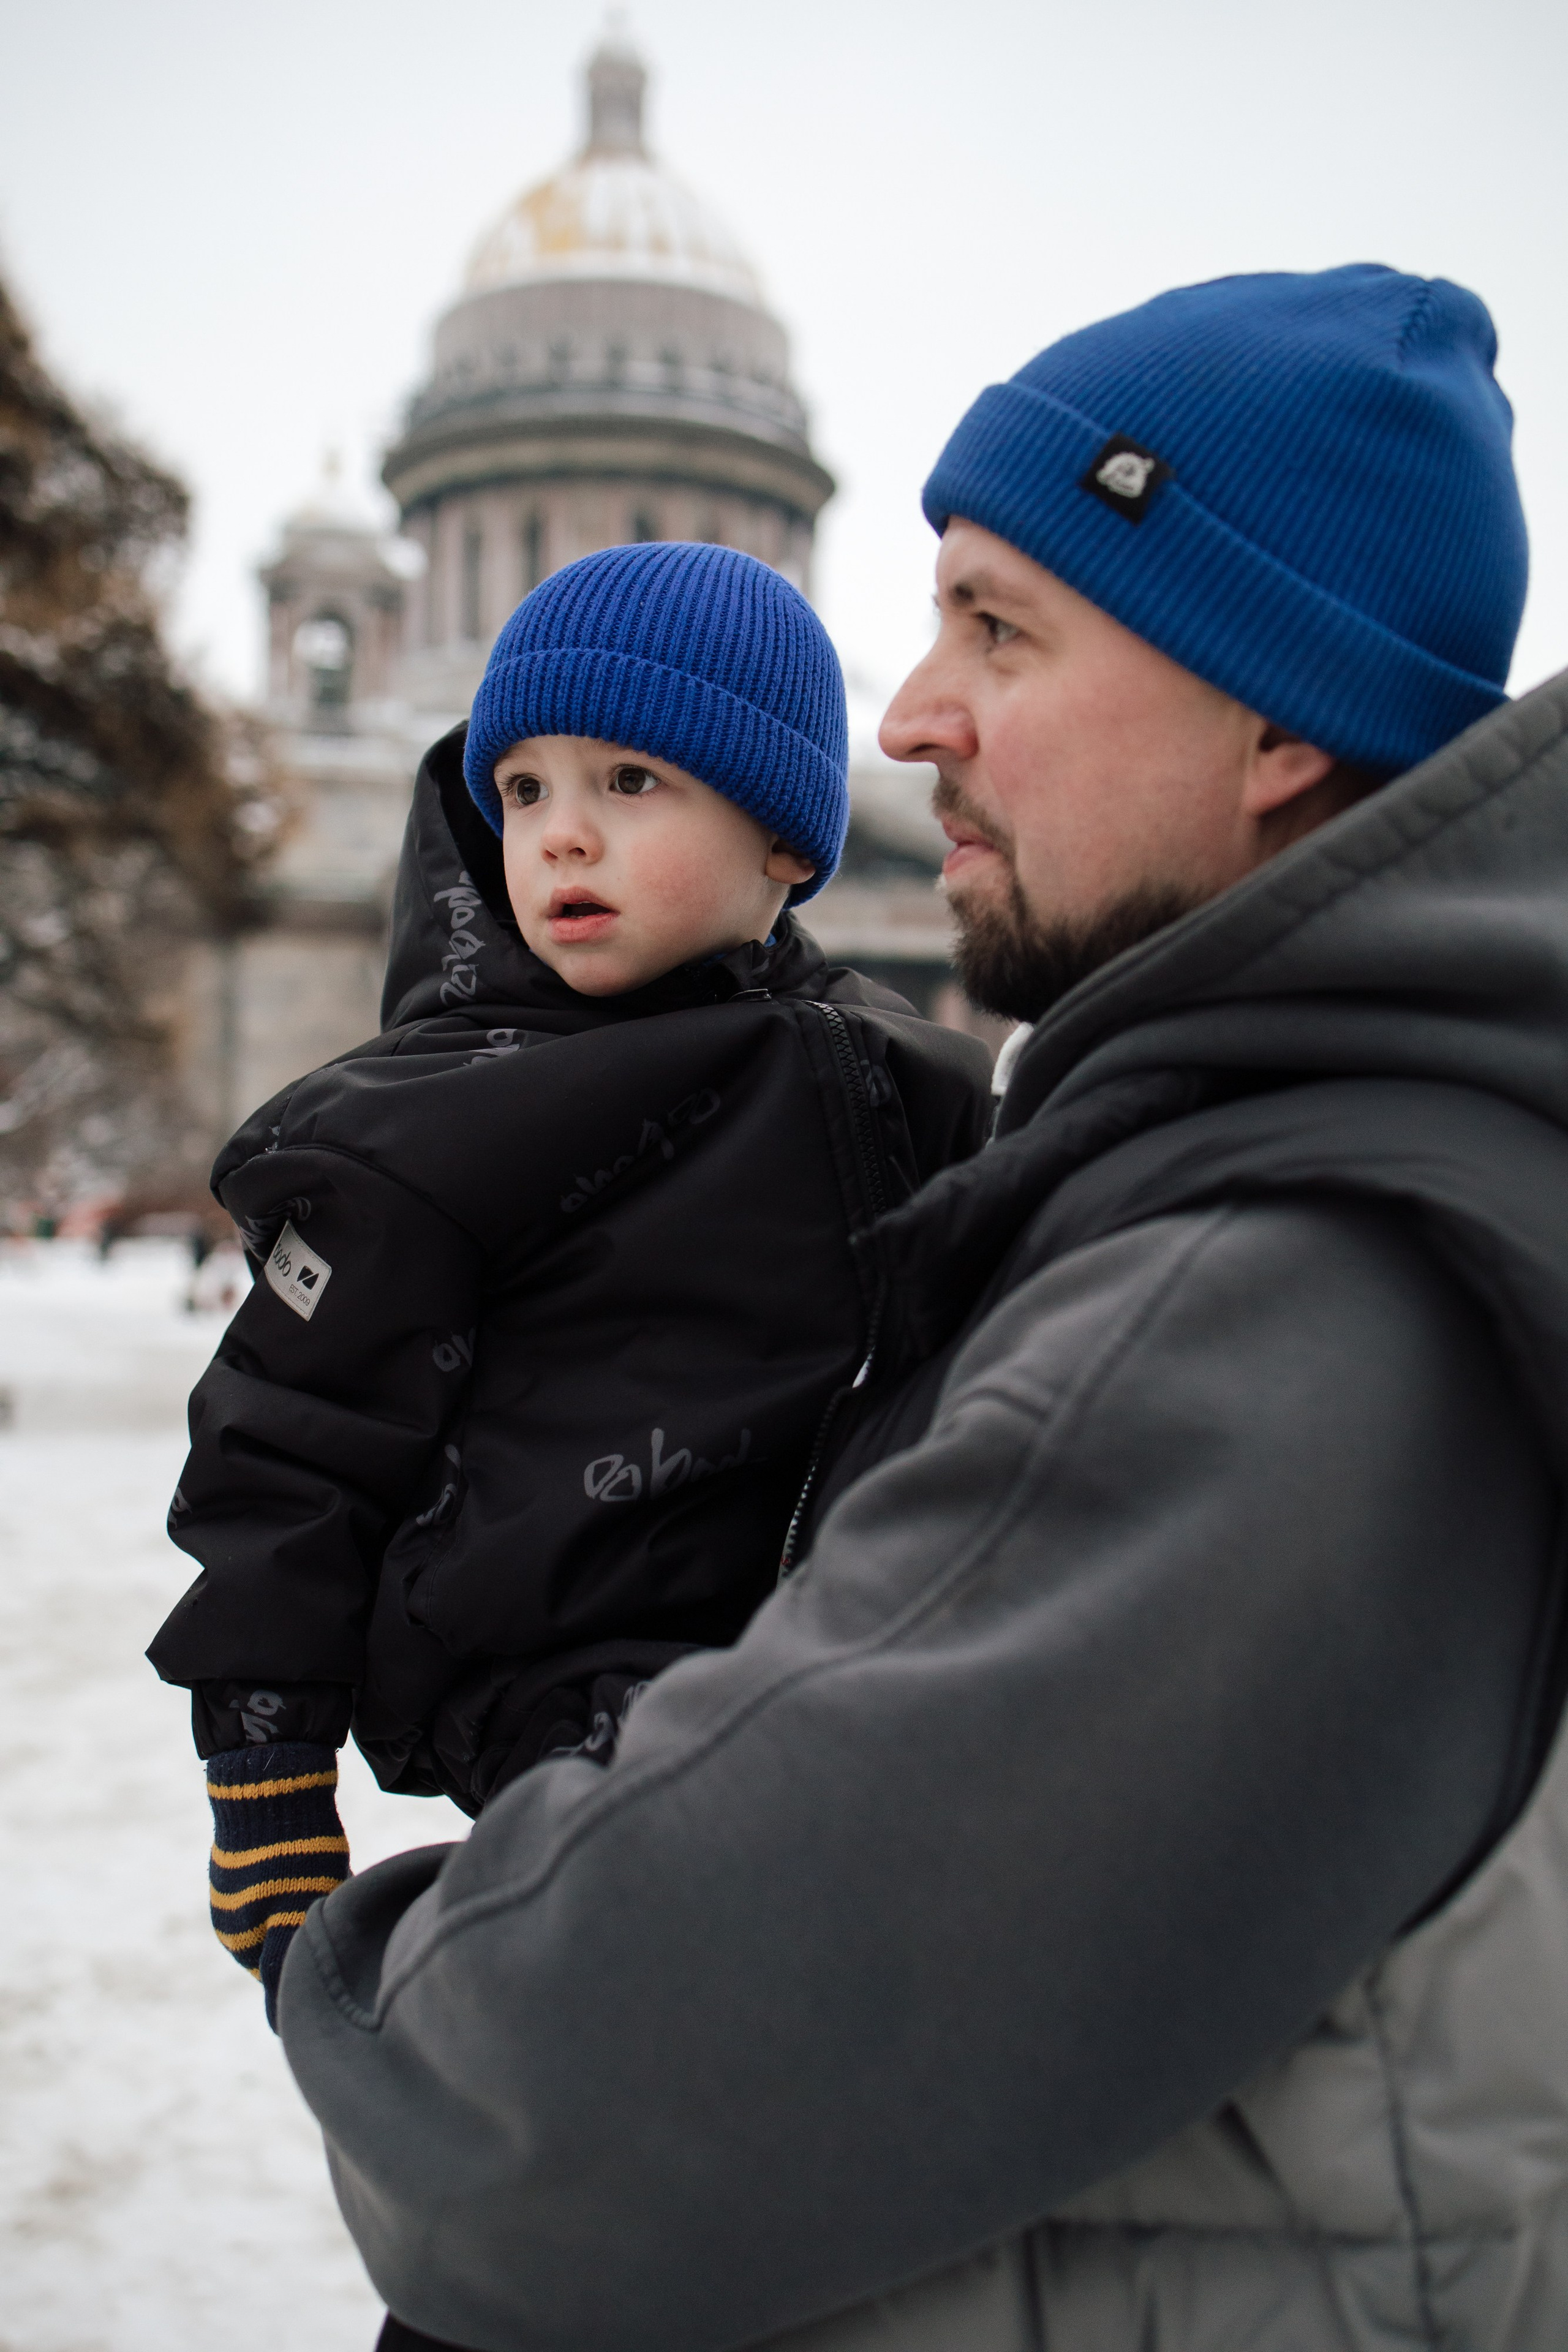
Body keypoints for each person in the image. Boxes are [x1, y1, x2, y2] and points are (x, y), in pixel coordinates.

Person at [276, 267, 1568, 2352]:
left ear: (1285, 713)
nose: (901, 719)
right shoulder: (1331, 1145)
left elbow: (531, 2107)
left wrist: (387, 1946)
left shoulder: (1278, 1282)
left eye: (1000, 628)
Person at [146, 541, 992, 2027]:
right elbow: (286, 1444)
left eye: (631, 782)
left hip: (854, 1644)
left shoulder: (907, 1072)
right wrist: (266, 1766)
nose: (559, 840)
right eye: (521, 791)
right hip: (566, 1685)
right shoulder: (425, 1124)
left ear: (791, 839)